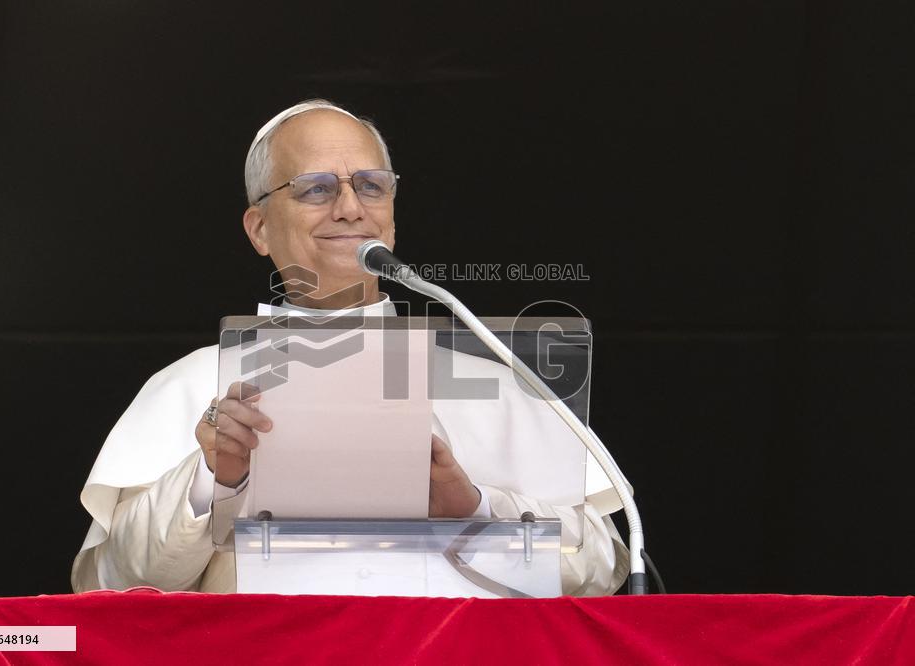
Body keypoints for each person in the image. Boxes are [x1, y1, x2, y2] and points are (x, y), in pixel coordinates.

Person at [71, 100, 630, 596]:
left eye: (370, 185)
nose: (349, 208)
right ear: (259, 228)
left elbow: (603, 570)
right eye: (316, 188)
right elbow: (112, 583)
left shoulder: (497, 381)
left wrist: (473, 511)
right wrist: (212, 479)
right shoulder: (194, 383)